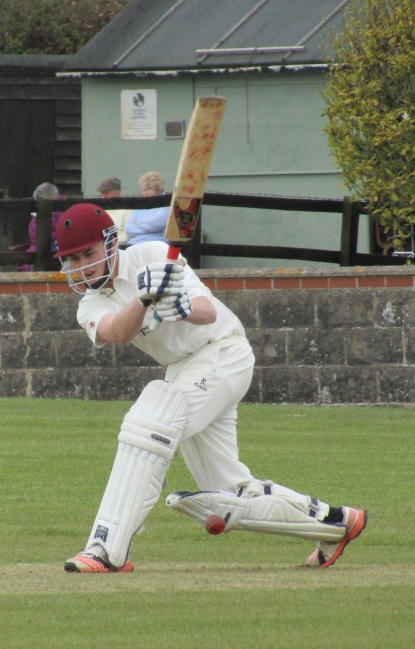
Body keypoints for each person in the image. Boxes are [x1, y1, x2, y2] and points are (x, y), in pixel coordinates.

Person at [53, 202, 368, 573]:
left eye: (88, 254)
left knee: (153, 419)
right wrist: (143, 300)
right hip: (185, 370)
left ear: (110, 244)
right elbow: (118, 332)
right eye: (73, 259)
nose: (83, 266)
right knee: (229, 492)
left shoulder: (153, 254)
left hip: (222, 351)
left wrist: (181, 305)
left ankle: (107, 549)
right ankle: (338, 522)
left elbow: (208, 311)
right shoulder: (88, 305)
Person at [124, 171, 170, 245]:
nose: (143, 193)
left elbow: (158, 224)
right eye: (142, 190)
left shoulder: (165, 202)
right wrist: (147, 227)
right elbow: (128, 228)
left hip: (158, 243)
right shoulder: (140, 204)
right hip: (134, 243)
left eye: (146, 190)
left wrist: (139, 223)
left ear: (156, 189)